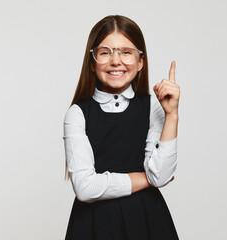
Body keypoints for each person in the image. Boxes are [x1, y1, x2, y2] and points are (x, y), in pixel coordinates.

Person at [63, 15, 180, 240]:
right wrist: (147, 179)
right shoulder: (77, 114)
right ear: (92, 61)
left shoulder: (154, 108)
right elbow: (86, 187)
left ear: (140, 62)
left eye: (126, 52)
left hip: (147, 223)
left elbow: (162, 173)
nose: (116, 61)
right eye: (105, 52)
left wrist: (172, 115)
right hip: (93, 226)